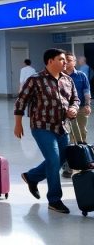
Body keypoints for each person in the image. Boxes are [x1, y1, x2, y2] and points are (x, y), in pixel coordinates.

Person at [15, 48, 79, 214]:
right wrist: (18, 123)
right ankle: (55, 200)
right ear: (50, 61)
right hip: (41, 126)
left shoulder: (67, 80)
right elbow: (21, 101)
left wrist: (73, 108)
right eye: (62, 59)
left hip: (62, 127)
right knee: (53, 159)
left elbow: (75, 99)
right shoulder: (35, 79)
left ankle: (31, 177)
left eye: (65, 60)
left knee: (59, 160)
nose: (66, 62)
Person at [62, 52, 92, 178]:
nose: (67, 62)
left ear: (74, 62)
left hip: (79, 109)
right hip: (64, 111)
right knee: (67, 137)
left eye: (70, 60)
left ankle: (83, 159)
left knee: (81, 133)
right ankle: (68, 166)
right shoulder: (60, 76)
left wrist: (87, 104)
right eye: (65, 60)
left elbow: (86, 90)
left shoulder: (81, 75)